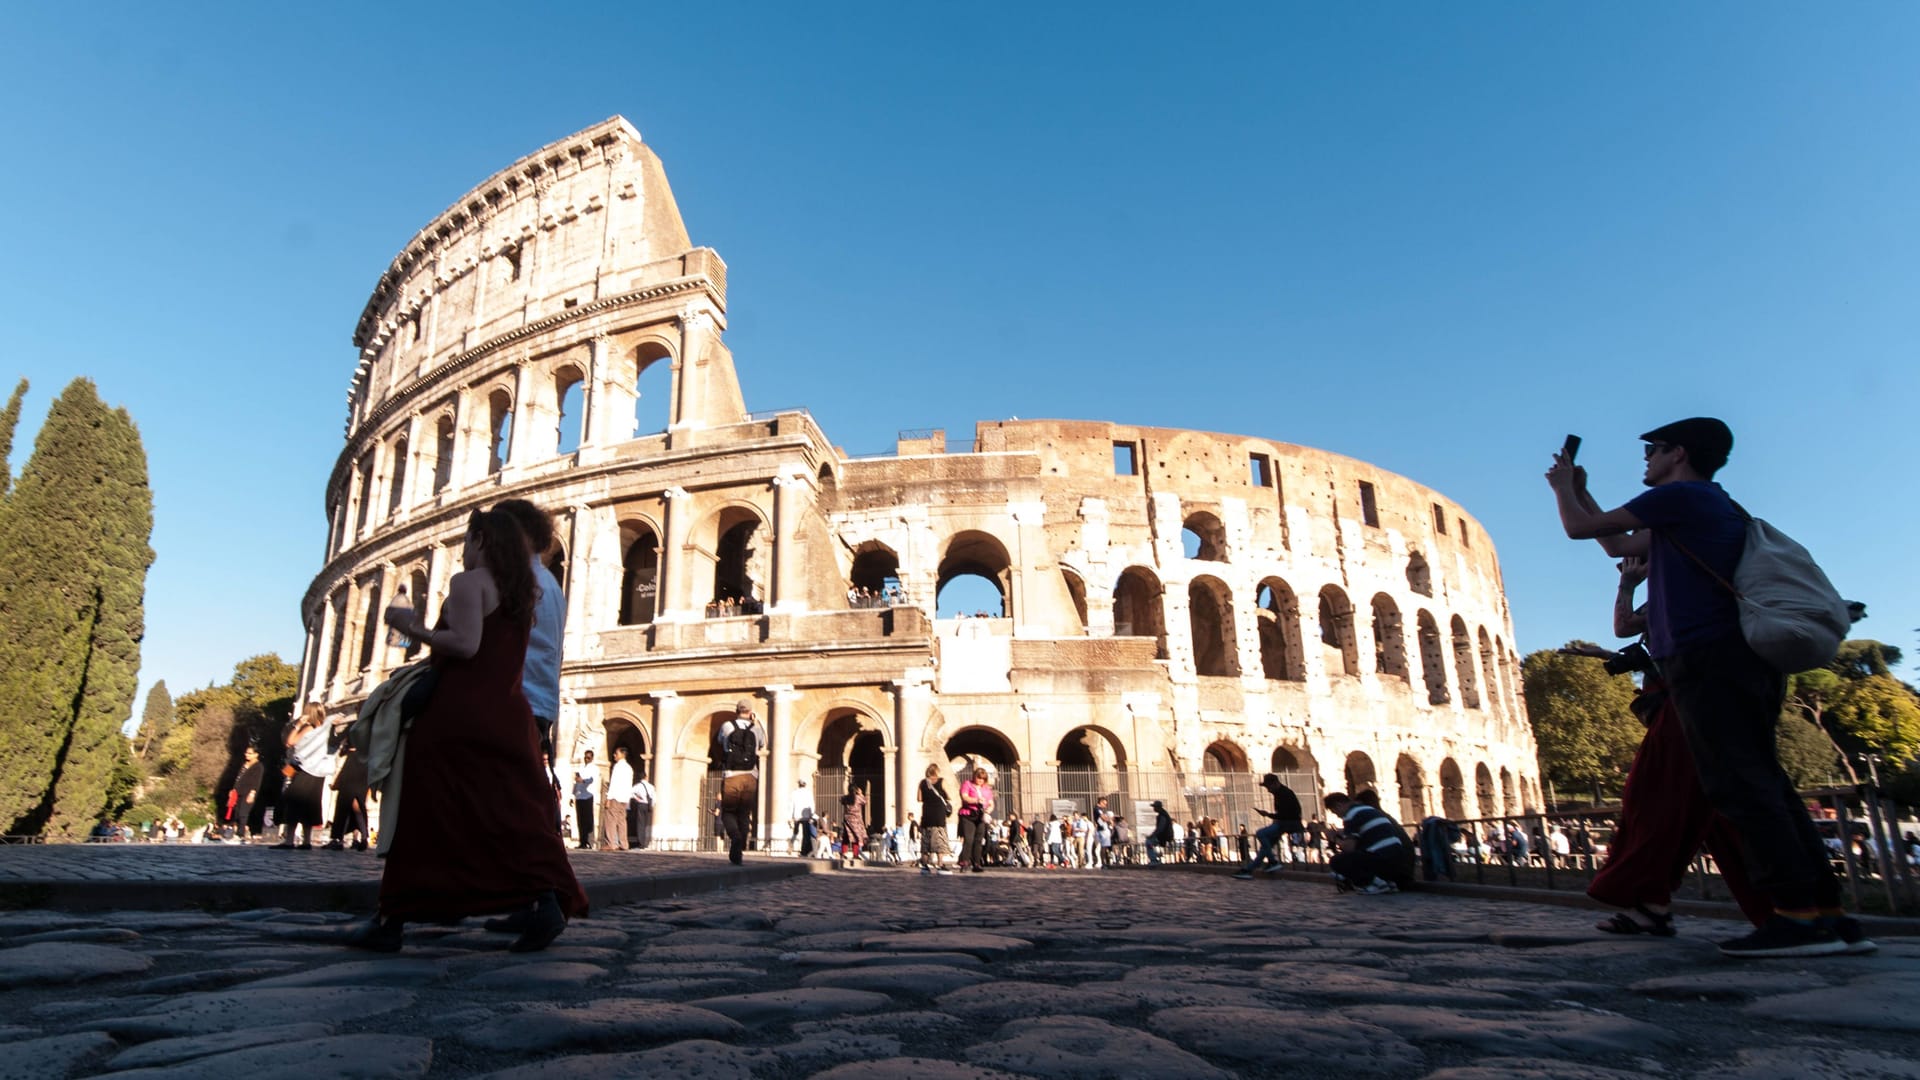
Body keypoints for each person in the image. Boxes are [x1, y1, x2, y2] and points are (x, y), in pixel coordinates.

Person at [1548, 417, 1853, 958]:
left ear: (1679, 454)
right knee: (1765, 784)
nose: (1646, 460)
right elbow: (1615, 542)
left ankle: (1796, 918)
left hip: (1707, 659)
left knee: (1741, 788)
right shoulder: (1712, 506)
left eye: (1653, 450)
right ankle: (1825, 913)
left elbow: (1578, 530)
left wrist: (1561, 491)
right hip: (1734, 660)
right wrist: (1580, 488)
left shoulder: (1684, 498)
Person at [348, 509, 587, 953]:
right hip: (512, 711)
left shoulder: (469, 584)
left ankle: (392, 920)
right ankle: (543, 899)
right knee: (512, 814)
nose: (463, 550)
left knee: (427, 813)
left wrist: (408, 626)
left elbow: (464, 644)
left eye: (467, 541)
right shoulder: (528, 592)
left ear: (480, 539)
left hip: (458, 711)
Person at [1324, 790, 1414, 894]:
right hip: (1399, 861)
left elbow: (1349, 848)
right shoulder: (1369, 810)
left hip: (1383, 858)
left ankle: (1374, 884)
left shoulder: (1351, 814)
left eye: (1335, 812)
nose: (1338, 816)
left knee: (1337, 861)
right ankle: (1388, 882)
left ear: (1338, 805)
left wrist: (1334, 838)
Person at [275, 704, 334, 850]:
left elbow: (290, 742)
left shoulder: (309, 728)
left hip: (305, 769)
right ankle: (306, 841)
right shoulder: (325, 729)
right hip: (318, 771)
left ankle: (289, 840)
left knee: (294, 802)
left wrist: (298, 725)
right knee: (310, 805)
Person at [713, 700, 763, 866]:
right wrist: (754, 723)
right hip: (750, 775)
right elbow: (762, 744)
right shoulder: (756, 728)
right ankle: (740, 845)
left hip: (731, 774)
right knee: (744, 812)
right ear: (750, 712)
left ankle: (735, 837)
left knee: (728, 812)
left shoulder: (727, 726)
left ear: (736, 711)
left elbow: (721, 741)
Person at [1234, 773, 1306, 879]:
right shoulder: (1279, 793)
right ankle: (1248, 870)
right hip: (1283, 822)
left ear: (1275, 783)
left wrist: (1268, 815)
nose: (1268, 790)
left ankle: (1273, 861)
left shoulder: (1285, 793)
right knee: (1264, 848)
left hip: (1289, 823)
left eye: (1268, 787)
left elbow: (1288, 814)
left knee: (1260, 833)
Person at [326, 719, 370, 851]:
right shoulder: (377, 724)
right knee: (358, 803)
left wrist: (332, 726)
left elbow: (333, 742)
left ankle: (338, 839)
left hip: (352, 763)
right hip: (367, 765)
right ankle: (362, 836)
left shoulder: (354, 725)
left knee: (343, 802)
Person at [918, 764, 954, 875]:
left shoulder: (923, 783)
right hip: (938, 815)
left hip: (927, 814)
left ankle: (924, 866)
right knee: (939, 840)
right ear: (937, 771)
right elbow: (949, 796)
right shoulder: (941, 781)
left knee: (926, 840)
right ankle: (940, 864)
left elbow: (919, 798)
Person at [957, 767, 994, 872]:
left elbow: (991, 803)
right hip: (968, 815)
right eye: (978, 778)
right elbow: (964, 797)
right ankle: (964, 862)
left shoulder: (987, 789)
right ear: (974, 777)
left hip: (980, 816)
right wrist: (976, 800)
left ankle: (977, 863)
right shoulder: (967, 784)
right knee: (969, 839)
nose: (980, 780)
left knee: (978, 840)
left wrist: (988, 811)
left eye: (983, 779)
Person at [227, 746, 263, 842]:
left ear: (256, 754)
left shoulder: (258, 766)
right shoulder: (244, 764)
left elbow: (257, 781)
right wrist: (233, 789)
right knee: (237, 812)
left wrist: (252, 792)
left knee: (243, 813)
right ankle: (237, 832)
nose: (247, 755)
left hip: (248, 792)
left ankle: (240, 834)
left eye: (250, 753)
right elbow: (238, 778)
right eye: (246, 753)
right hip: (238, 791)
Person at [602, 745, 633, 851]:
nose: (614, 755)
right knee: (622, 821)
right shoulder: (629, 768)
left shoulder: (618, 766)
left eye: (616, 753)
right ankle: (624, 843)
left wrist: (608, 798)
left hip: (616, 796)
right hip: (624, 798)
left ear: (622, 754)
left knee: (610, 820)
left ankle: (610, 843)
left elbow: (614, 783)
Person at [571, 751, 597, 850]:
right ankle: (582, 841)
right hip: (579, 796)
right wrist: (572, 794)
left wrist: (583, 780)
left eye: (589, 758)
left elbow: (591, 779)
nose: (587, 759)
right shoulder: (581, 768)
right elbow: (576, 782)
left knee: (588, 820)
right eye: (585, 757)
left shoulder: (594, 768)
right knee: (580, 820)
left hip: (588, 795)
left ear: (592, 758)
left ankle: (589, 841)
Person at [841, 781, 870, 866]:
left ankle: (843, 853)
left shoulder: (846, 798)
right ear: (856, 790)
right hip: (856, 820)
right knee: (856, 837)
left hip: (847, 820)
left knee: (846, 836)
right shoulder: (858, 798)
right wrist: (861, 793)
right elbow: (865, 801)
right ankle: (855, 854)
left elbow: (841, 800)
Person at [790, 777, 818, 857]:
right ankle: (803, 851)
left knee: (795, 832)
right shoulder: (808, 793)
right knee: (805, 834)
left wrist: (790, 816)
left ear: (799, 784)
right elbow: (811, 804)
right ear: (805, 784)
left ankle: (791, 843)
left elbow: (791, 805)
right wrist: (811, 815)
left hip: (796, 816)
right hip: (806, 816)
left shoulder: (794, 792)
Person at [1147, 800, 1174, 865]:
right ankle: (1156, 857)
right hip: (1164, 835)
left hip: (1164, 836)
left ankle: (1154, 860)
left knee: (1148, 842)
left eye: (1155, 807)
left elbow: (1160, 828)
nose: (1154, 808)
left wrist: (1153, 835)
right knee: (1152, 844)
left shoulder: (1162, 815)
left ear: (1158, 807)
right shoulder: (1163, 814)